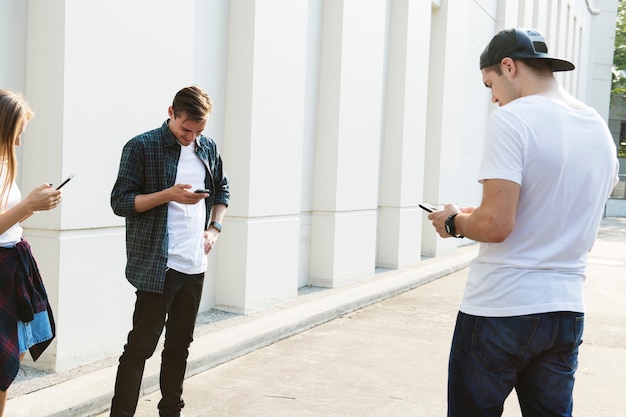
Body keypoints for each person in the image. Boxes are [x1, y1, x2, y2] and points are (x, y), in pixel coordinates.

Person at [426, 28, 619, 417]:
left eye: (490, 84)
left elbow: (497, 225)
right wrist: (475, 212)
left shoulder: (513, 118)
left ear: (508, 67)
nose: (493, 98)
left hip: (502, 306)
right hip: (565, 309)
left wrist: (453, 223)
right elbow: (568, 220)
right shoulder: (597, 127)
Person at [110, 85, 230, 417]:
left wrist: (214, 229)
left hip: (194, 264)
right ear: (171, 113)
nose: (191, 136)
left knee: (179, 348)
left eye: (199, 130)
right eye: (185, 129)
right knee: (139, 349)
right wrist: (169, 195)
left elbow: (222, 189)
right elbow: (120, 202)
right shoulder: (142, 146)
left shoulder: (206, 148)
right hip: (157, 266)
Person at [0, 89, 61, 416]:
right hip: (2, 267)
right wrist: (27, 205)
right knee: (3, 358)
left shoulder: (5, 162)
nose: (19, 143)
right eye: (16, 134)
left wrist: (34, 206)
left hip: (14, 264)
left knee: (15, 351)